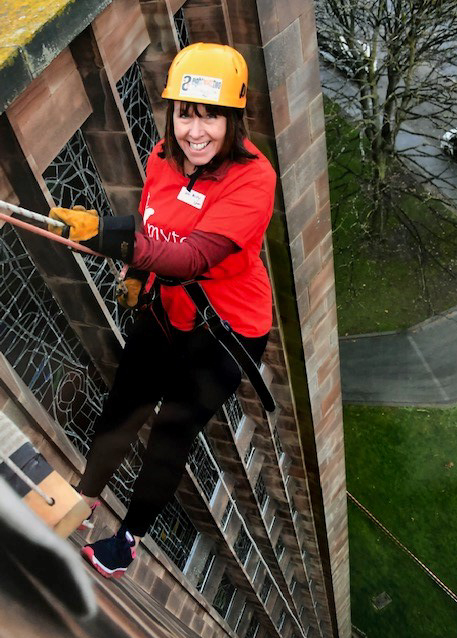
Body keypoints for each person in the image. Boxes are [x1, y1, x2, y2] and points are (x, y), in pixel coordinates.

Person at [49, 42, 276, 579]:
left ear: (233, 119)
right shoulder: (160, 160)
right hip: (166, 308)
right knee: (122, 407)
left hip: (226, 331)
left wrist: (106, 236)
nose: (194, 132)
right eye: (184, 114)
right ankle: (86, 495)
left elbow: (195, 255)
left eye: (211, 117)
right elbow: (156, 229)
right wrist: (133, 275)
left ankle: (128, 539)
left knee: (171, 433)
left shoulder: (254, 181)